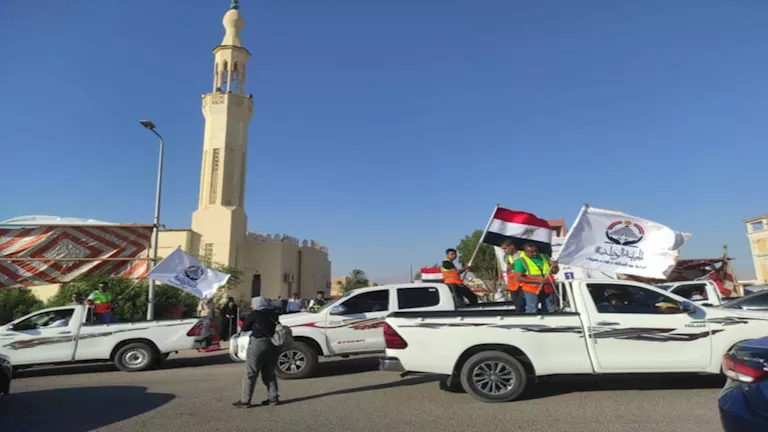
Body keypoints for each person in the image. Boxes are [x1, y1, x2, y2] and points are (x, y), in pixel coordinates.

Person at [233, 296, 280, 408]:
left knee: (251, 372)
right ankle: (273, 398)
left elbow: (245, 327)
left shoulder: (255, 314)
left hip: (258, 343)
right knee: (269, 373)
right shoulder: (273, 314)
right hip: (273, 344)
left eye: (253, 303)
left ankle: (245, 400)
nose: (251, 305)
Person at [515, 243, 560, 314]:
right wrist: (537, 281)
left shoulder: (545, 257)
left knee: (550, 308)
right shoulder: (521, 261)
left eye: (536, 251)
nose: (535, 253)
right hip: (531, 289)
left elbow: (554, 272)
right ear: (525, 252)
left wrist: (555, 266)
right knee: (532, 308)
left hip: (547, 287)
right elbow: (519, 278)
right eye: (531, 252)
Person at [500, 240, 524, 314]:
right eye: (503, 249)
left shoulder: (522, 254)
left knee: (522, 305)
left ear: (512, 246)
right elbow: (508, 271)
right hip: (513, 285)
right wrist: (508, 268)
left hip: (523, 283)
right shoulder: (507, 257)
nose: (504, 251)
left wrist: (515, 267)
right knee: (517, 305)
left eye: (505, 248)